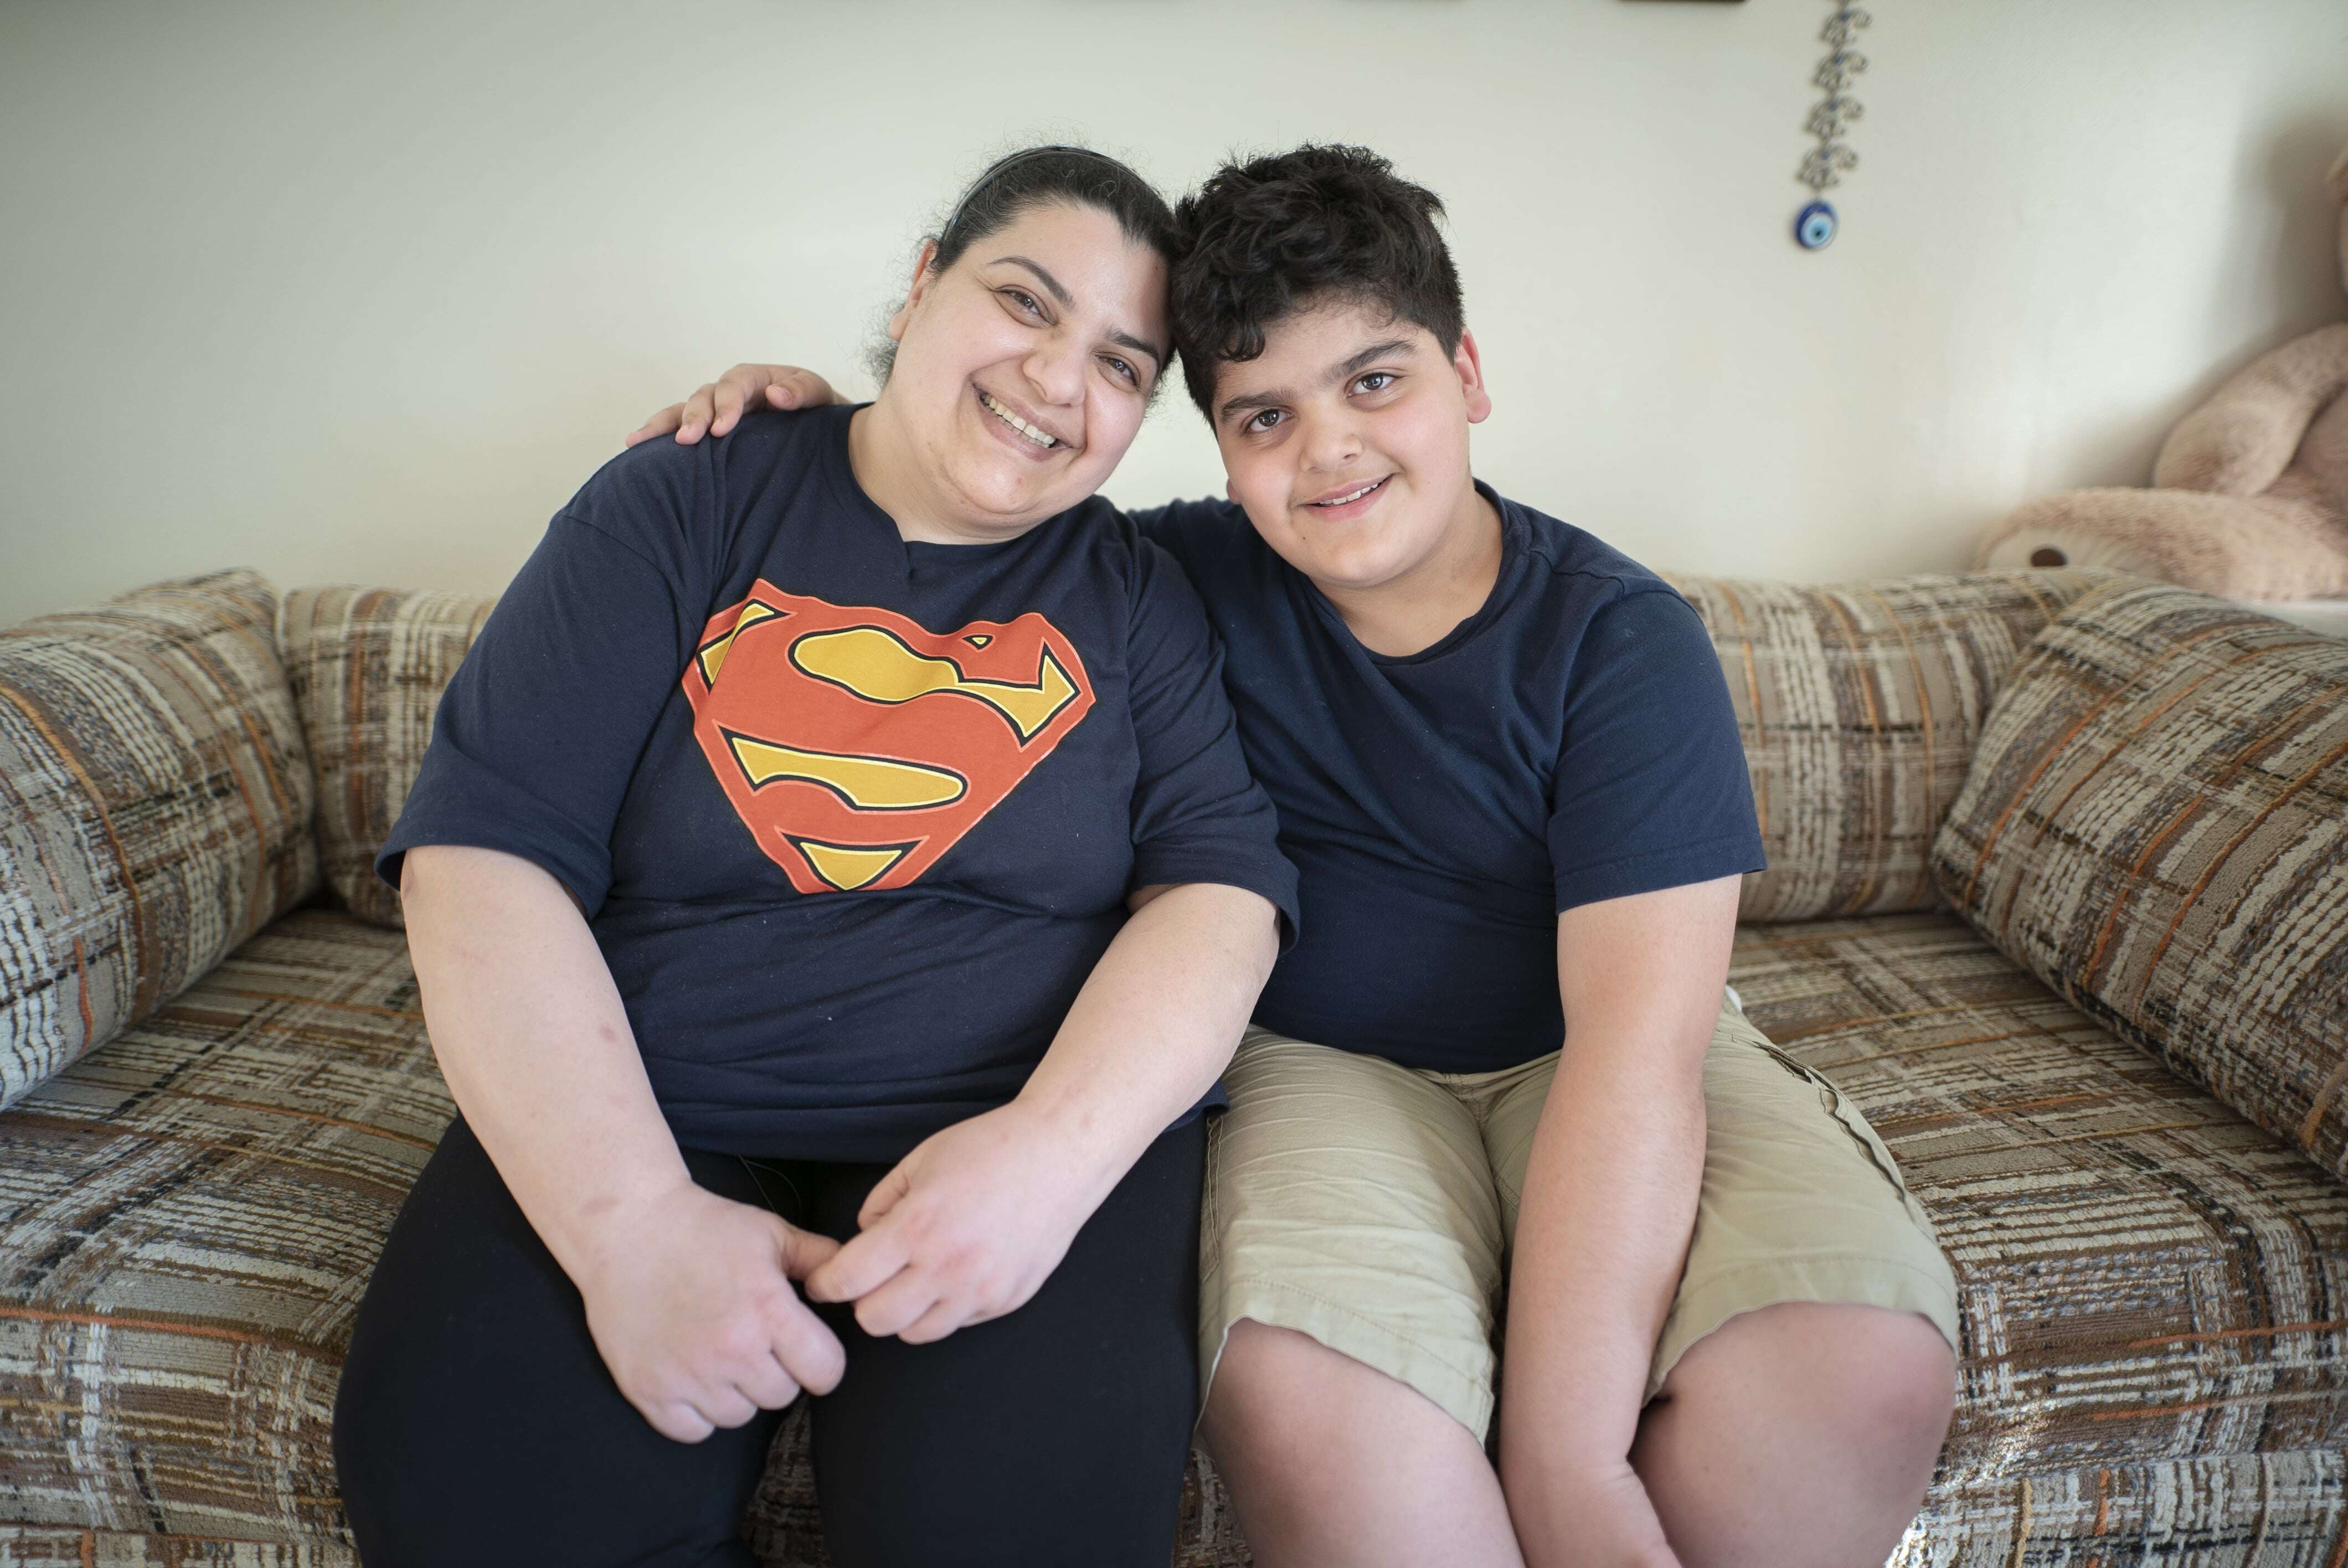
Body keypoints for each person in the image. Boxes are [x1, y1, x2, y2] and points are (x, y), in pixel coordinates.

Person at [640, 145, 1960, 1568]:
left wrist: (1565, 1462)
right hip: (1318, 1063)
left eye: (1375, 381)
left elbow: (1636, 1064)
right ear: (1216, 442)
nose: (1326, 447)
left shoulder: (1619, 643)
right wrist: (810, 424)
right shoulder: (1169, 580)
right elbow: (960, 510)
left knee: (1850, 1363)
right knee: (1310, 1403)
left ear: (1467, 372)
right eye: (1264, 415)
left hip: (1607, 1051)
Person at [331, 145, 1299, 1568]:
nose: (1052, 378)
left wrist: (1049, 1158)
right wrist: (632, 1228)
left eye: (1118, 363)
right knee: (485, 1509)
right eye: (1022, 302)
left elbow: (1219, 895)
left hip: (1001, 1110)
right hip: (656, 1098)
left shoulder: (1137, 596)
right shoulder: (680, 499)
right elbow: (483, 858)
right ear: (920, 285)